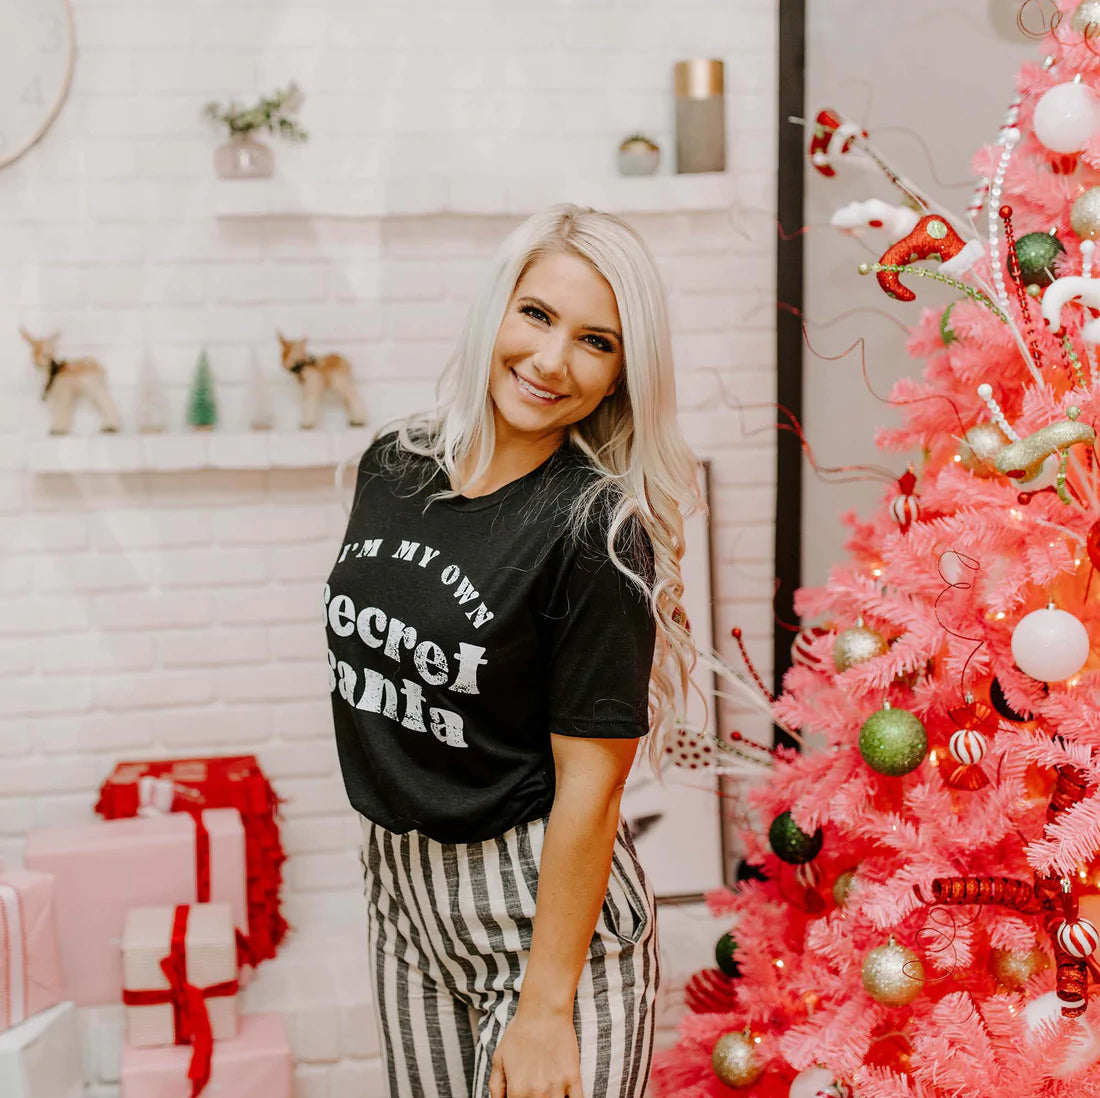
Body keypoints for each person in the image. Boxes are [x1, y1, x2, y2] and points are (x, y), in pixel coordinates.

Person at [324, 202, 707, 1098]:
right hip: (403, 894)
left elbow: (595, 782)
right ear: (497, 307)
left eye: (595, 341)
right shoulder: (394, 464)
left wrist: (544, 1010)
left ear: (620, 376)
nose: (549, 361)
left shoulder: (596, 528)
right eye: (536, 315)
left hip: (539, 910)